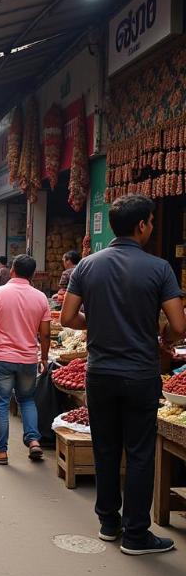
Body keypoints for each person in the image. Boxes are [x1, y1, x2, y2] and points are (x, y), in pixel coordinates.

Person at [61, 195, 186, 555]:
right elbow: (178, 325)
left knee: (105, 448)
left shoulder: (87, 266)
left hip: (99, 373)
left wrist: (95, 324)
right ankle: (135, 534)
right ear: (143, 225)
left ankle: (107, 523)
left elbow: (68, 318)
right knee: (140, 452)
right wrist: (163, 337)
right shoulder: (159, 268)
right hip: (140, 374)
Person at [0, 254, 51, 466]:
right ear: (33, 274)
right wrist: (43, 357)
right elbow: (45, 334)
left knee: (0, 403)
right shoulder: (41, 297)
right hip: (28, 359)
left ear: (13, 270)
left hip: (3, 359)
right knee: (27, 400)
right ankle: (34, 440)